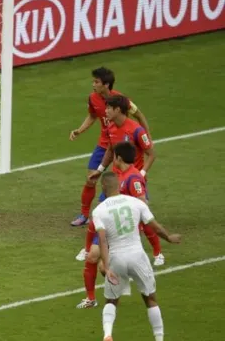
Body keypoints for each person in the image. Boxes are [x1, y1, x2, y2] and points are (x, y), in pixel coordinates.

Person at [93, 172, 181, 341]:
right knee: (150, 299)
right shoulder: (135, 203)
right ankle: (159, 338)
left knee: (111, 300)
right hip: (137, 256)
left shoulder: (99, 211)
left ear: (103, 187)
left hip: (116, 258)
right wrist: (169, 237)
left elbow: (103, 241)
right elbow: (154, 227)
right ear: (118, 185)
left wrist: (106, 265)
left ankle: (108, 334)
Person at [76, 142, 162, 309]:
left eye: (113, 155)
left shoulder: (134, 177)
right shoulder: (118, 175)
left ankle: (122, 284)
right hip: (109, 224)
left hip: (122, 230)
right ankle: (91, 298)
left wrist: (137, 225)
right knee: (93, 258)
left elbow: (142, 203)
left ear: (118, 158)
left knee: (101, 264)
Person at [70, 67, 150, 227]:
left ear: (106, 85)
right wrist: (79, 130)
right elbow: (92, 116)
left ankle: (139, 209)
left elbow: (139, 115)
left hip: (121, 145)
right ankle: (84, 215)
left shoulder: (121, 100)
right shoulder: (93, 99)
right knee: (90, 179)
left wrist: (146, 137)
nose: (93, 84)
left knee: (125, 178)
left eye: (96, 82)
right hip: (105, 144)